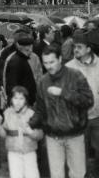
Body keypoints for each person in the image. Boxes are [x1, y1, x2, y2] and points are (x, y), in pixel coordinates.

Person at [29, 44, 94, 178]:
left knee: (78, 174)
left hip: (75, 134)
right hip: (53, 137)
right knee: (56, 175)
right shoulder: (42, 81)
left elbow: (88, 101)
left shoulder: (75, 75)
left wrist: (64, 93)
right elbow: (40, 110)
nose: (49, 66)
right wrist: (29, 123)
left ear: (60, 58)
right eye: (45, 63)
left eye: (52, 62)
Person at [66, 30, 99, 177]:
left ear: (88, 49)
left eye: (79, 47)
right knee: (78, 154)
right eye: (74, 47)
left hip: (97, 118)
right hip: (78, 119)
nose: (75, 50)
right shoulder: (69, 67)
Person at [0, 86, 43, 178]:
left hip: (29, 152)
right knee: (15, 175)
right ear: (11, 99)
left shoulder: (32, 114)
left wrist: (31, 133)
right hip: (13, 153)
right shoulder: (7, 113)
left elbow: (40, 135)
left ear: (26, 100)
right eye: (15, 98)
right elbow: (3, 134)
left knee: (32, 175)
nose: (18, 101)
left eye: (21, 98)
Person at [3, 35, 42, 106]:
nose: (32, 50)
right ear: (28, 48)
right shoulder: (16, 62)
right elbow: (13, 85)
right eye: (31, 48)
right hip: (21, 104)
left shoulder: (22, 59)